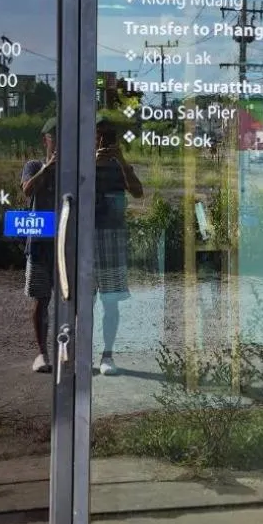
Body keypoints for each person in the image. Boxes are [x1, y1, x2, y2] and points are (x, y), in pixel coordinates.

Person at [94, 117, 143, 375]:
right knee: (83, 302)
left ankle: (107, 354)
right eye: (99, 136)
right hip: (86, 237)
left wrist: (122, 161)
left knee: (111, 301)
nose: (103, 142)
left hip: (112, 237)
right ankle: (83, 353)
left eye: (108, 137)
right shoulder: (82, 163)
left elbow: (138, 192)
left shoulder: (119, 166)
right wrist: (92, 161)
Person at [21, 117, 57, 373]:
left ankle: (72, 351)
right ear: (45, 140)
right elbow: (27, 190)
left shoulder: (73, 167)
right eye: (54, 138)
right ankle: (42, 353)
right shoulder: (34, 165)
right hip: (40, 241)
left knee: (72, 300)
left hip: (66, 241)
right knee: (41, 298)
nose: (59, 143)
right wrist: (48, 168)